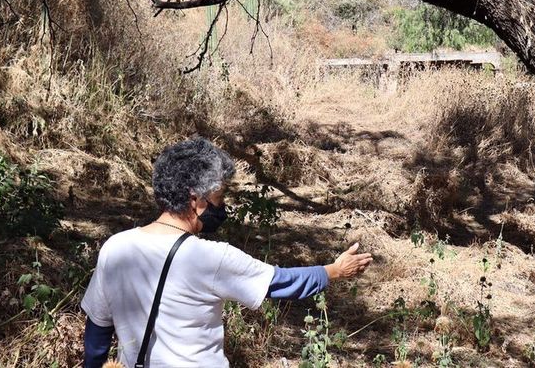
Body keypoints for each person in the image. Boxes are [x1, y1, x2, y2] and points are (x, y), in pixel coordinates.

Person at [81, 137, 372, 367]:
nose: (222, 207)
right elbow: (280, 283)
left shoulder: (115, 248)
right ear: (195, 199)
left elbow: (97, 331)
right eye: (219, 198)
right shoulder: (209, 257)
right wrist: (334, 271)